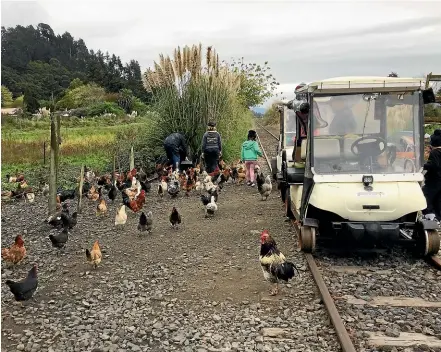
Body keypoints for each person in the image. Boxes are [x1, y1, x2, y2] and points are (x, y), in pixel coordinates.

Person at [422, 129, 441, 221]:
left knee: (426, 196)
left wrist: (423, 165)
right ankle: (438, 217)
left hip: (434, 180)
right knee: (438, 200)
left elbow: (434, 165)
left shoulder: (434, 152)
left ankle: (430, 216)